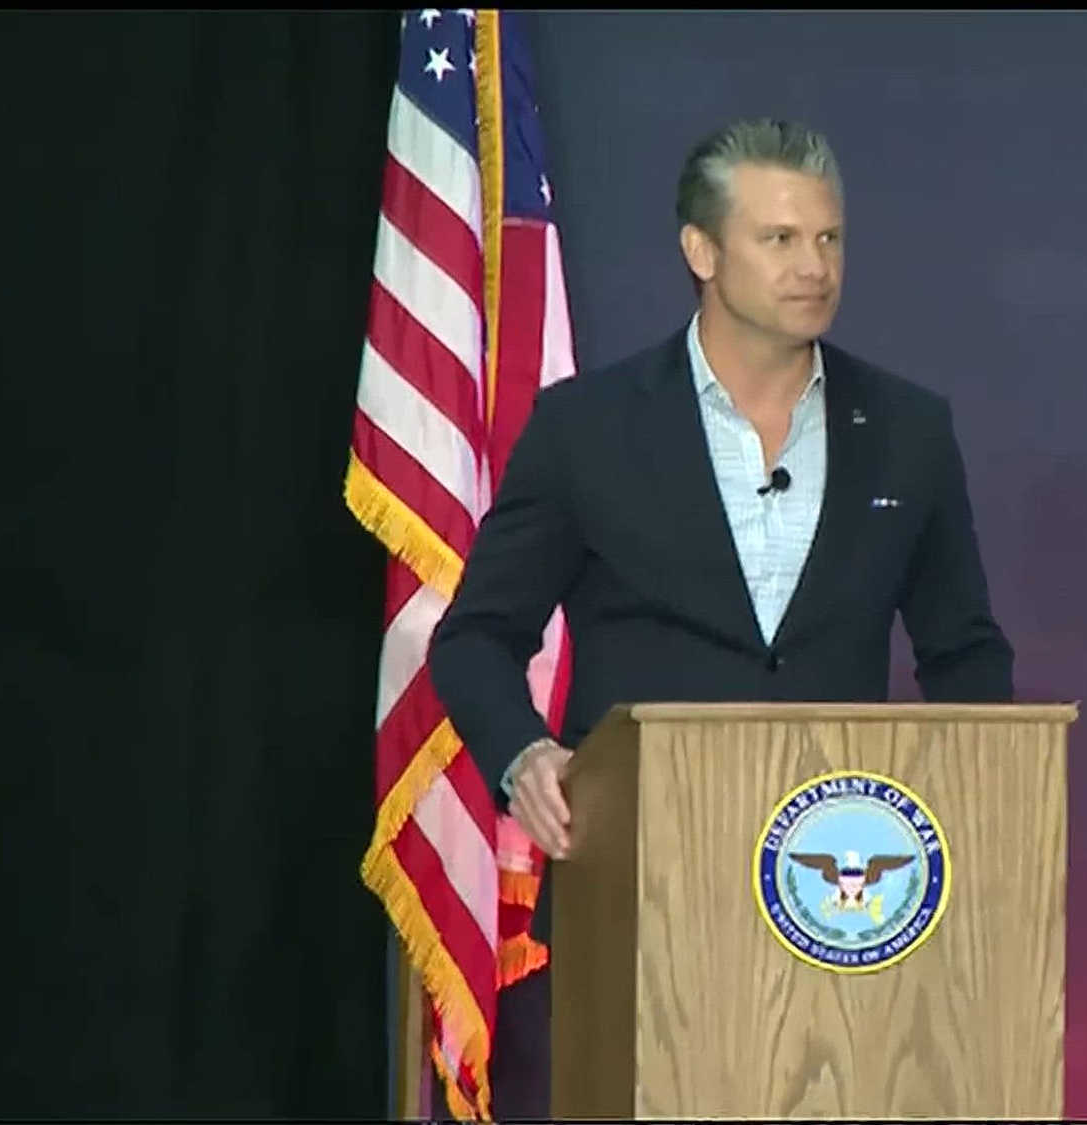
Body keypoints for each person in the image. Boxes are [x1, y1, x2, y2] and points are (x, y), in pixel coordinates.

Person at [426, 116, 1015, 1119]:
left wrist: (978, 816)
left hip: (844, 900)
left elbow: (965, 653)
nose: (812, 266)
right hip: (640, 888)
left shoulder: (908, 432)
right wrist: (524, 757)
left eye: (826, 239)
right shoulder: (588, 428)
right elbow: (476, 637)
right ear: (700, 252)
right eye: (778, 240)